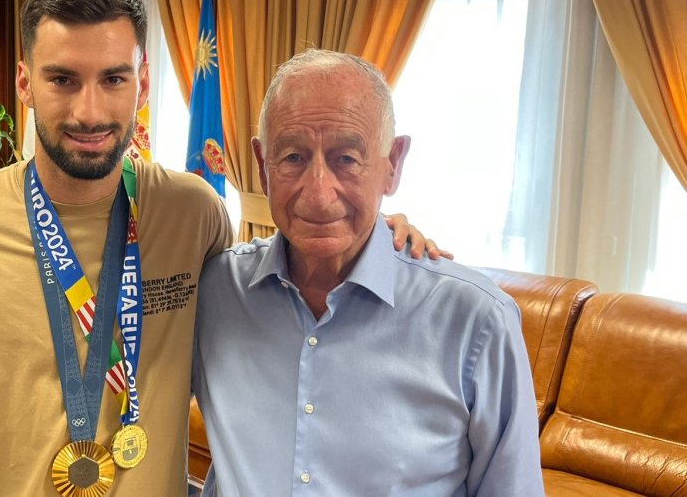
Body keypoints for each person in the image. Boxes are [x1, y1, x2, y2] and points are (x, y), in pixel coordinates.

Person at [0, 0, 441, 496]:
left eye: (114, 78)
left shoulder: (194, 213)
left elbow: (273, 292)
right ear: (24, 82)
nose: (89, 111)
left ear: (141, 85)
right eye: (62, 79)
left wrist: (371, 235)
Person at [193, 50, 542, 495]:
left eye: (347, 159)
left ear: (392, 163)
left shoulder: (477, 321)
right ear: (263, 165)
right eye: (294, 157)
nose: (318, 195)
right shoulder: (214, 291)